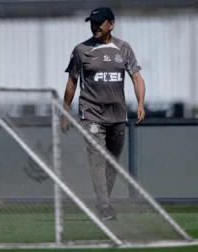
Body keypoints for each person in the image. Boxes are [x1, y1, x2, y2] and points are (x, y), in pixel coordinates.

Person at [61, 7, 146, 220]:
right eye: (92, 22)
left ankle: (103, 201)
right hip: (91, 113)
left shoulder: (123, 48)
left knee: (112, 161)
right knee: (97, 158)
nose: (95, 26)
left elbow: (136, 77)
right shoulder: (81, 50)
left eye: (100, 22)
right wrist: (65, 111)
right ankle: (104, 206)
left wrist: (141, 103)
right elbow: (72, 81)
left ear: (111, 24)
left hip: (117, 115)